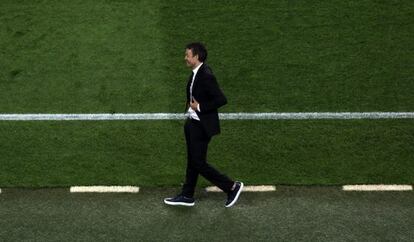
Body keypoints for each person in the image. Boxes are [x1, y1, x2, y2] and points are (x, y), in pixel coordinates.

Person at [164, 42, 243, 208]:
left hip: (201, 126)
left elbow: (221, 99)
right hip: (193, 124)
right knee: (193, 161)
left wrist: (198, 107)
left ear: (197, 57)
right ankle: (187, 195)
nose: (185, 58)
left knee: (198, 163)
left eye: (188, 55)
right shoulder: (196, 73)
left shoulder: (206, 75)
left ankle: (231, 187)